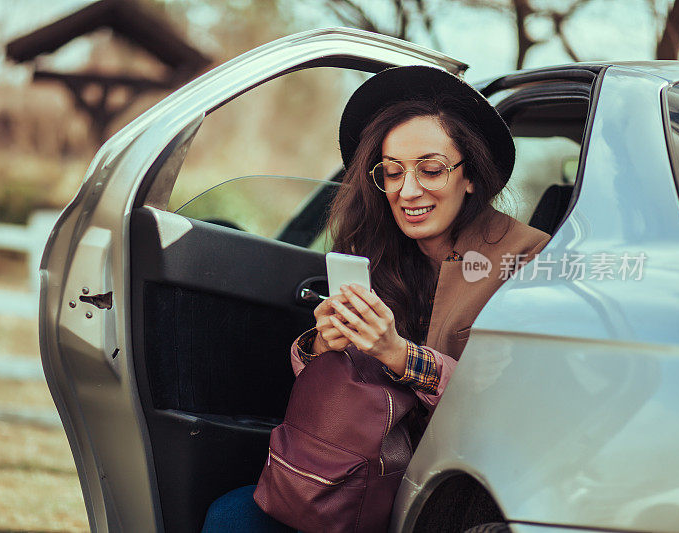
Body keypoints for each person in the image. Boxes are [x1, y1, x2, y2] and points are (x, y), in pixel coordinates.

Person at [201, 65, 551, 533]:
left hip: (458, 491)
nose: (408, 191)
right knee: (230, 516)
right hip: (361, 473)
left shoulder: (530, 257)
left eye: (430, 169)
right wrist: (321, 347)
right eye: (392, 172)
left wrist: (399, 354)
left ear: (471, 176)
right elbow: (336, 393)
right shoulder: (373, 247)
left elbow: (519, 405)